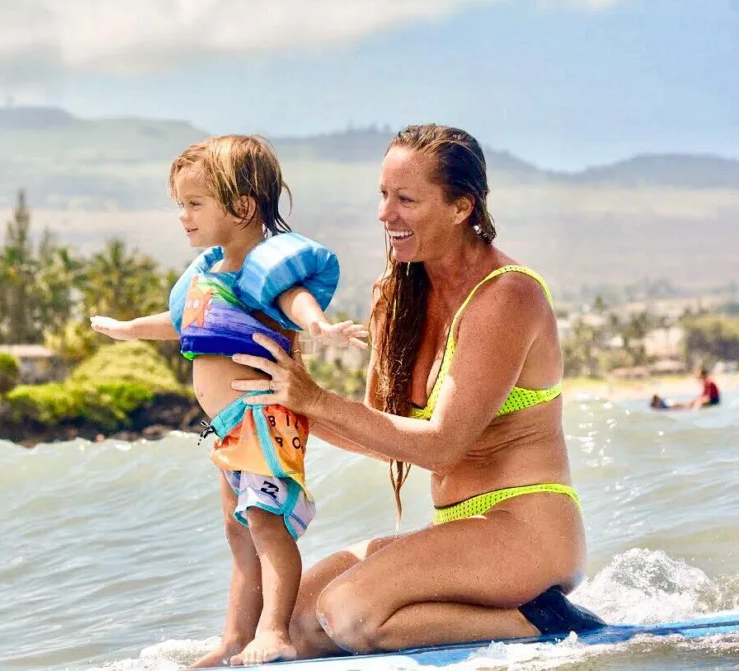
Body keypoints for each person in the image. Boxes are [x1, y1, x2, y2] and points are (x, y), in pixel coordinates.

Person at [230, 124, 606, 659]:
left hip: (527, 529)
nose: (386, 215)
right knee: (294, 622)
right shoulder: (396, 297)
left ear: (460, 207)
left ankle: (541, 621)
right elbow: (381, 434)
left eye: (406, 199)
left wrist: (316, 400)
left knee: (350, 613)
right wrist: (278, 399)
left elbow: (441, 446)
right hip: (458, 532)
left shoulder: (507, 296)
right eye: (383, 196)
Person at [90, 135, 367, 667]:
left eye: (195, 204)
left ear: (241, 208)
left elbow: (296, 299)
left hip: (263, 416)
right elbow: (179, 323)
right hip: (227, 426)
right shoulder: (211, 273)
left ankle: (275, 633)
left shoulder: (263, 268)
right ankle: (235, 639)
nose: (183, 217)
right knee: (239, 530)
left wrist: (321, 328)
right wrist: (127, 330)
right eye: (181, 205)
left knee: (266, 524)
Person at [650, 366, 721, 410]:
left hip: (714, 400)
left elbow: (709, 396)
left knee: (696, 402)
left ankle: (693, 412)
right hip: (711, 399)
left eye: (698, 374)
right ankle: (681, 407)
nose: (697, 377)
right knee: (692, 402)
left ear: (703, 374)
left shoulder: (709, 381)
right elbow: (704, 394)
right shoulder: (706, 381)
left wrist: (699, 401)